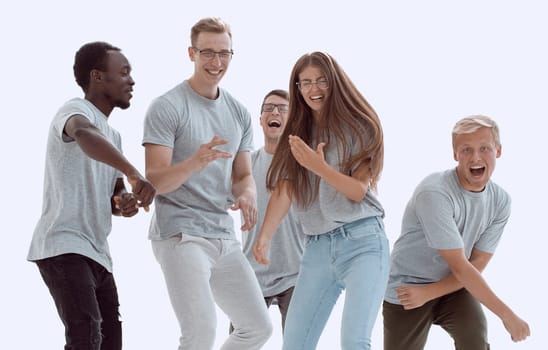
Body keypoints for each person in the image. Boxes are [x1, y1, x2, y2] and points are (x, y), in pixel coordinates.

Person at [142, 17, 272, 350]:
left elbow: (243, 175)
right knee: (200, 333)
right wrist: (194, 162)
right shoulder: (167, 107)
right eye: (208, 53)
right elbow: (156, 179)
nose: (217, 63)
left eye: (224, 54)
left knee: (257, 328)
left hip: (223, 236)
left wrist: (247, 195)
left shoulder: (239, 113)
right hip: (181, 234)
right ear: (192, 53)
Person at [253, 51, 390, 350]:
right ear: (298, 89)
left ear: (335, 82)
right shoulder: (297, 134)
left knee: (354, 341)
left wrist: (320, 168)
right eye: (306, 83)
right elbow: (286, 188)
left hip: (363, 241)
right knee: (295, 344)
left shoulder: (361, 126)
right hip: (316, 248)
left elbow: (357, 191)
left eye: (321, 81)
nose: (314, 89)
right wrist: (264, 236)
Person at [27, 41, 156, 350]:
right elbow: (84, 135)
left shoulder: (114, 136)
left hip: (98, 253)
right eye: (123, 72)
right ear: (98, 77)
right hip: (64, 243)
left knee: (110, 341)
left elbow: (115, 192)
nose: (132, 81)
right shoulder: (75, 110)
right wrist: (134, 172)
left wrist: (123, 202)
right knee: (86, 336)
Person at [383, 115, 530, 350]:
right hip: (409, 290)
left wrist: (432, 291)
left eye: (484, 148)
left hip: (453, 286)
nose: (475, 157)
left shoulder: (500, 201)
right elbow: (462, 266)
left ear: (498, 151)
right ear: (455, 154)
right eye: (466, 150)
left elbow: (477, 262)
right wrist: (507, 315)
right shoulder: (435, 193)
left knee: (475, 339)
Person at [232, 89, 306, 334]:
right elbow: (217, 197)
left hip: (295, 273)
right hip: (251, 273)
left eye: (282, 109)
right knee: (240, 339)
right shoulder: (246, 166)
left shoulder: (304, 164)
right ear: (261, 119)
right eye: (269, 108)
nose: (275, 112)